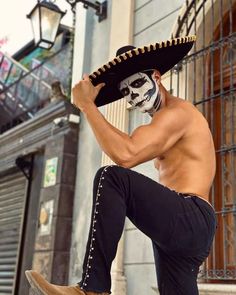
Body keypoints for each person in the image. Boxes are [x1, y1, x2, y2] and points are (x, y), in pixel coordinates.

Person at [25, 35, 217, 295]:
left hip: (191, 217)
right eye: (126, 91)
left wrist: (87, 105)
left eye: (138, 83)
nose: (134, 95)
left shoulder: (178, 114)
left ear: (157, 78)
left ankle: (92, 289)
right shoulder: (157, 125)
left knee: (111, 178)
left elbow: (126, 156)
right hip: (179, 230)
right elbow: (126, 146)